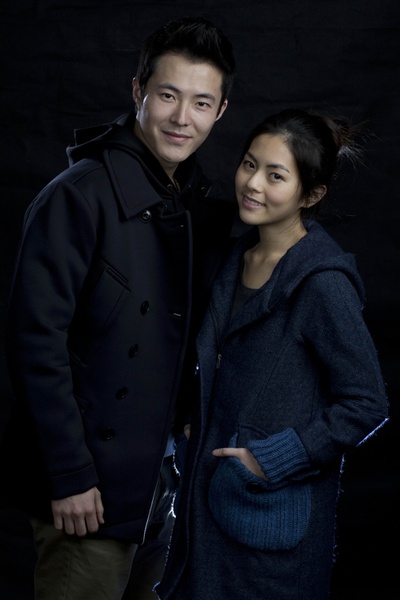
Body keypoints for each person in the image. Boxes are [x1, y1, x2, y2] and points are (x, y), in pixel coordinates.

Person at [2, 16, 236, 600]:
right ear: (138, 91)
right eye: (168, 95)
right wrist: (69, 475)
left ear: (220, 112)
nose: (182, 118)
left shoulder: (190, 202)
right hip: (88, 491)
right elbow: (35, 344)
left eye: (201, 103)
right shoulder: (78, 196)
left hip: (159, 482)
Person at [155, 109, 389, 600]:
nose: (252, 184)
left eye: (275, 175)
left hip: (267, 525)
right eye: (249, 164)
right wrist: (191, 421)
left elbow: (367, 402)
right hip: (203, 509)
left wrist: (273, 459)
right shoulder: (233, 258)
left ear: (311, 195)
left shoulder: (322, 283)